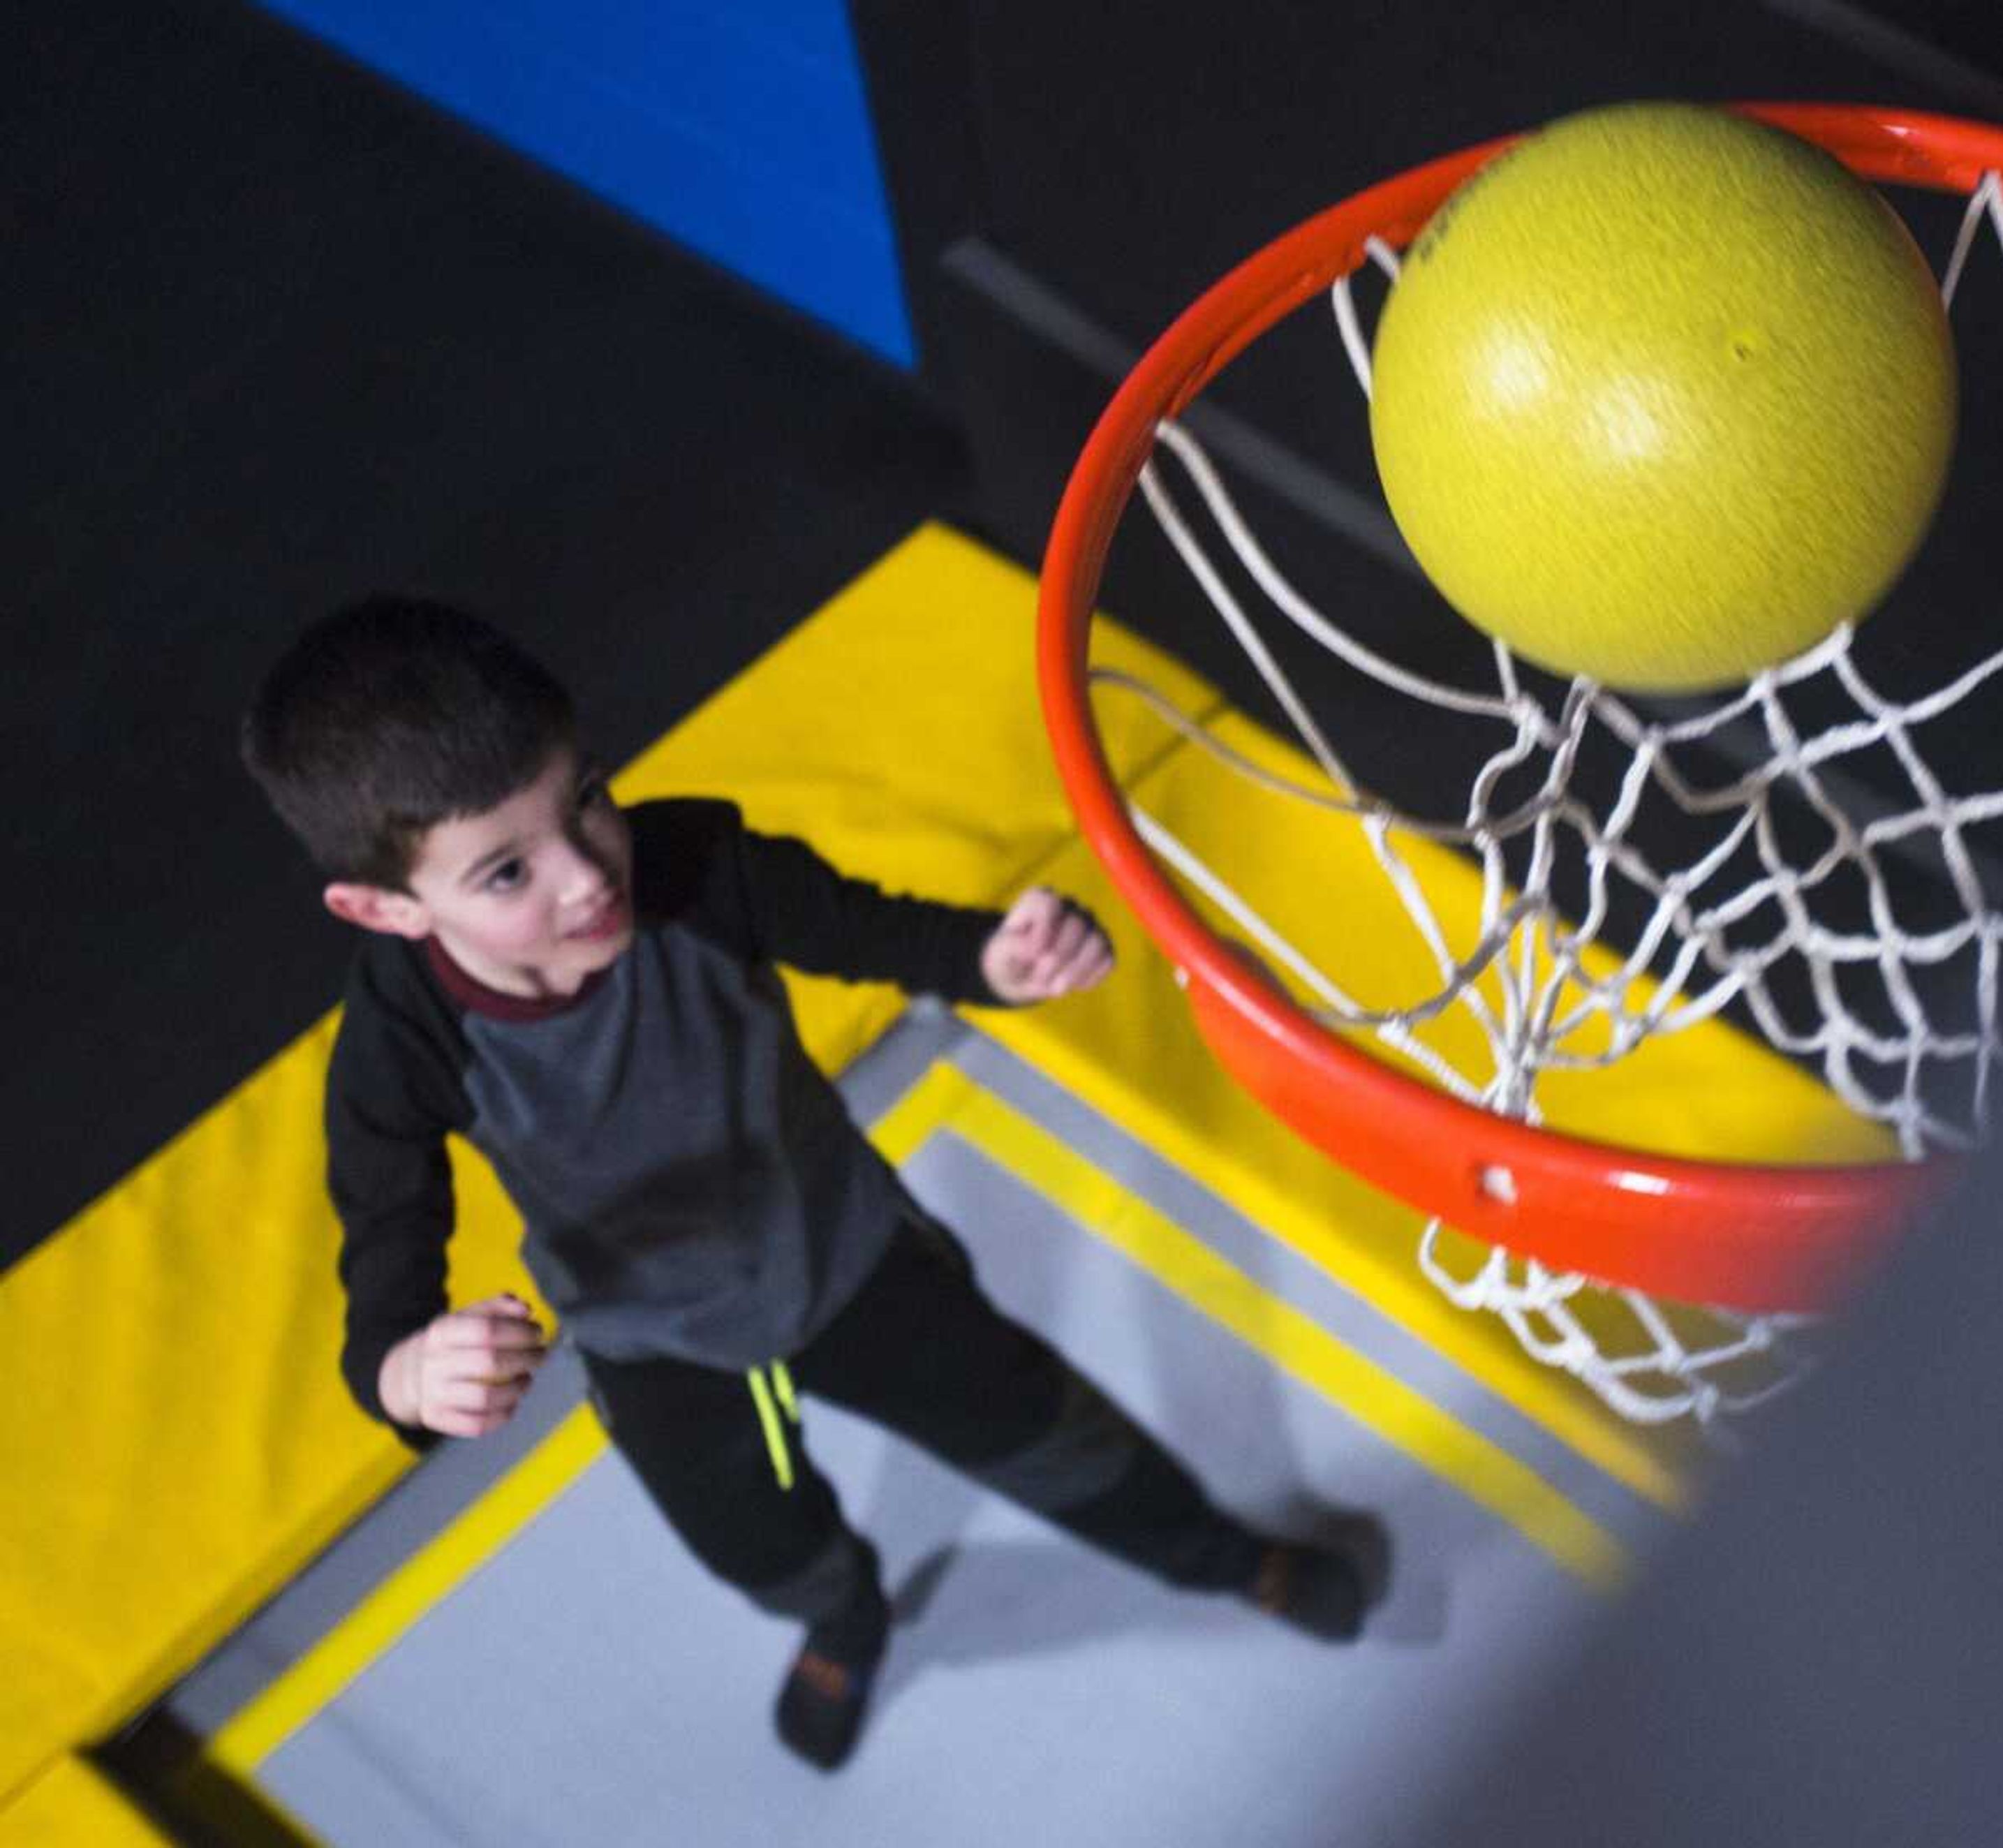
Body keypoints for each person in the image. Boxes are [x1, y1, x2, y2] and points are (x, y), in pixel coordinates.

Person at [241, 596, 1373, 1771]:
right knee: (753, 1538)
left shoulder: (696, 866)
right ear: (384, 908)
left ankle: (1223, 1557)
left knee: (1044, 1427)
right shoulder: (402, 1040)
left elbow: (868, 929)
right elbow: (385, 1245)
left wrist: (995, 959)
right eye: (508, 871)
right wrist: (405, 1374)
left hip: (845, 1249)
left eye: (586, 798)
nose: (586, 879)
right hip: (656, 1343)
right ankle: (842, 1616)